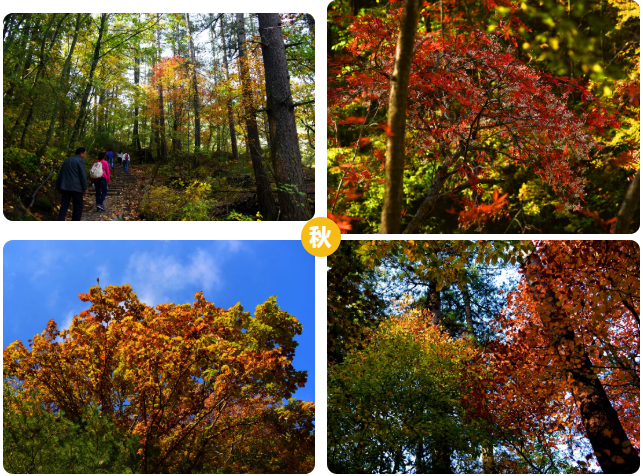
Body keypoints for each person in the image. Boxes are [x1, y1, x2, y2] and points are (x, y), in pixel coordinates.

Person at [56, 147, 89, 221]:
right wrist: (85, 188)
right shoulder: (80, 161)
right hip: (76, 187)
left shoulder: (67, 160)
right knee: (78, 206)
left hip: (65, 187)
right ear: (81, 153)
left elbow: (61, 173)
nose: (85, 156)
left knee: (64, 205)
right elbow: (82, 175)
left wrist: (58, 185)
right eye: (85, 154)